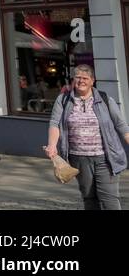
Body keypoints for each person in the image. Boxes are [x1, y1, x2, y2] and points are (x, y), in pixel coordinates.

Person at [45, 64, 129, 210]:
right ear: (73, 80)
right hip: (78, 158)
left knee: (109, 198)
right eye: (77, 77)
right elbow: (54, 123)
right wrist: (52, 145)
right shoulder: (63, 100)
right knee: (89, 197)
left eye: (85, 78)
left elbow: (121, 125)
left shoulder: (104, 99)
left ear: (92, 80)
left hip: (105, 157)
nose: (81, 81)